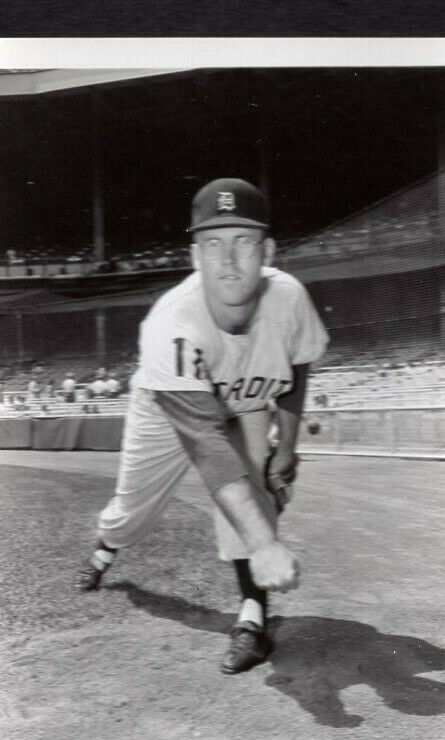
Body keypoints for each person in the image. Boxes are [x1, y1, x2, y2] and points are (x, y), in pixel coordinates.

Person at [77, 178, 328, 674]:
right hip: (170, 407)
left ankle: (251, 618)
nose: (229, 260)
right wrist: (266, 546)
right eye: (214, 243)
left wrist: (287, 449)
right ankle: (108, 547)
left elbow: (298, 365)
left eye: (244, 241)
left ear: (268, 250)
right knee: (132, 509)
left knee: (252, 492)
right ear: (194, 256)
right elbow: (207, 444)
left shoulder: (289, 298)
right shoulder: (170, 324)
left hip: (246, 401)